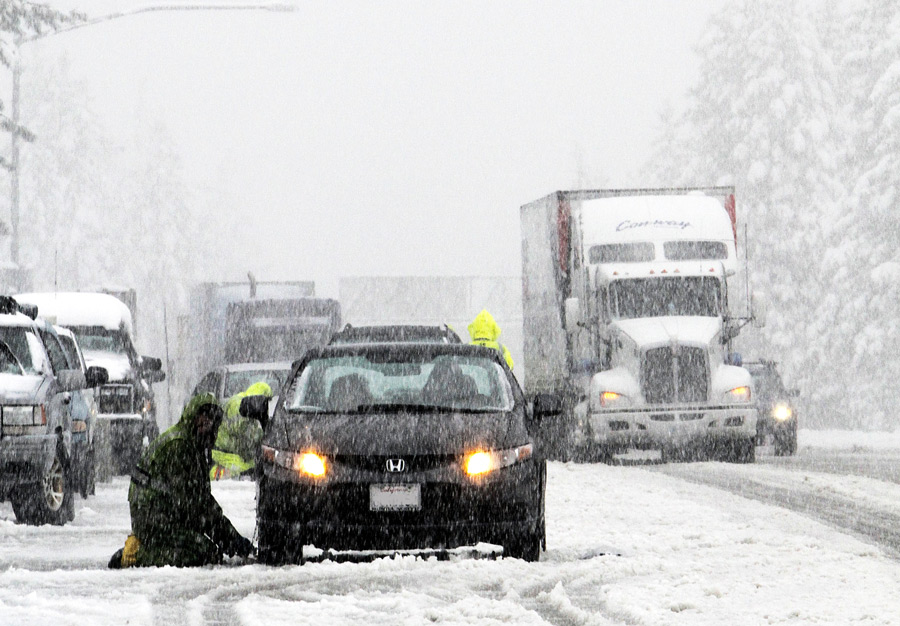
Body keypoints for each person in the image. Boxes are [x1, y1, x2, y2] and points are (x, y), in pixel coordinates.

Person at [108, 393, 254, 568]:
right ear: (193, 416)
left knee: (206, 548)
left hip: (163, 511)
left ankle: (149, 545)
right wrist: (232, 542)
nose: (206, 424)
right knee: (203, 552)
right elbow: (195, 506)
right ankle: (135, 555)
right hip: (152, 516)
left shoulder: (193, 444)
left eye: (212, 420)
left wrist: (232, 540)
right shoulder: (180, 447)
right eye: (203, 417)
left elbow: (200, 501)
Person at [210, 381, 273, 480]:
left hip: (231, 450)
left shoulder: (247, 407)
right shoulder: (239, 406)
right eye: (265, 402)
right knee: (246, 471)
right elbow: (245, 434)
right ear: (258, 400)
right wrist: (261, 435)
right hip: (225, 453)